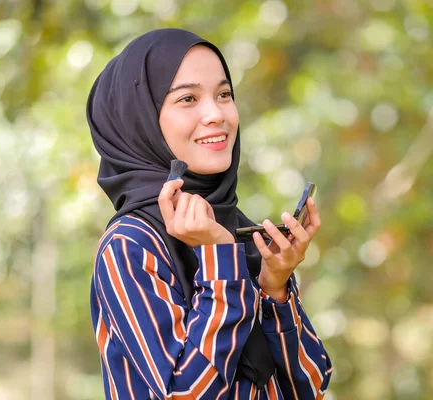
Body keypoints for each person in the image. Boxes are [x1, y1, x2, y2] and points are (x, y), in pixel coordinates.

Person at [86, 28, 332, 400]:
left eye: (224, 94)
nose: (216, 114)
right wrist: (219, 259)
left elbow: (310, 386)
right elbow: (186, 393)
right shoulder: (129, 246)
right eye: (187, 98)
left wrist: (274, 286)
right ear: (140, 120)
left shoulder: (230, 225)